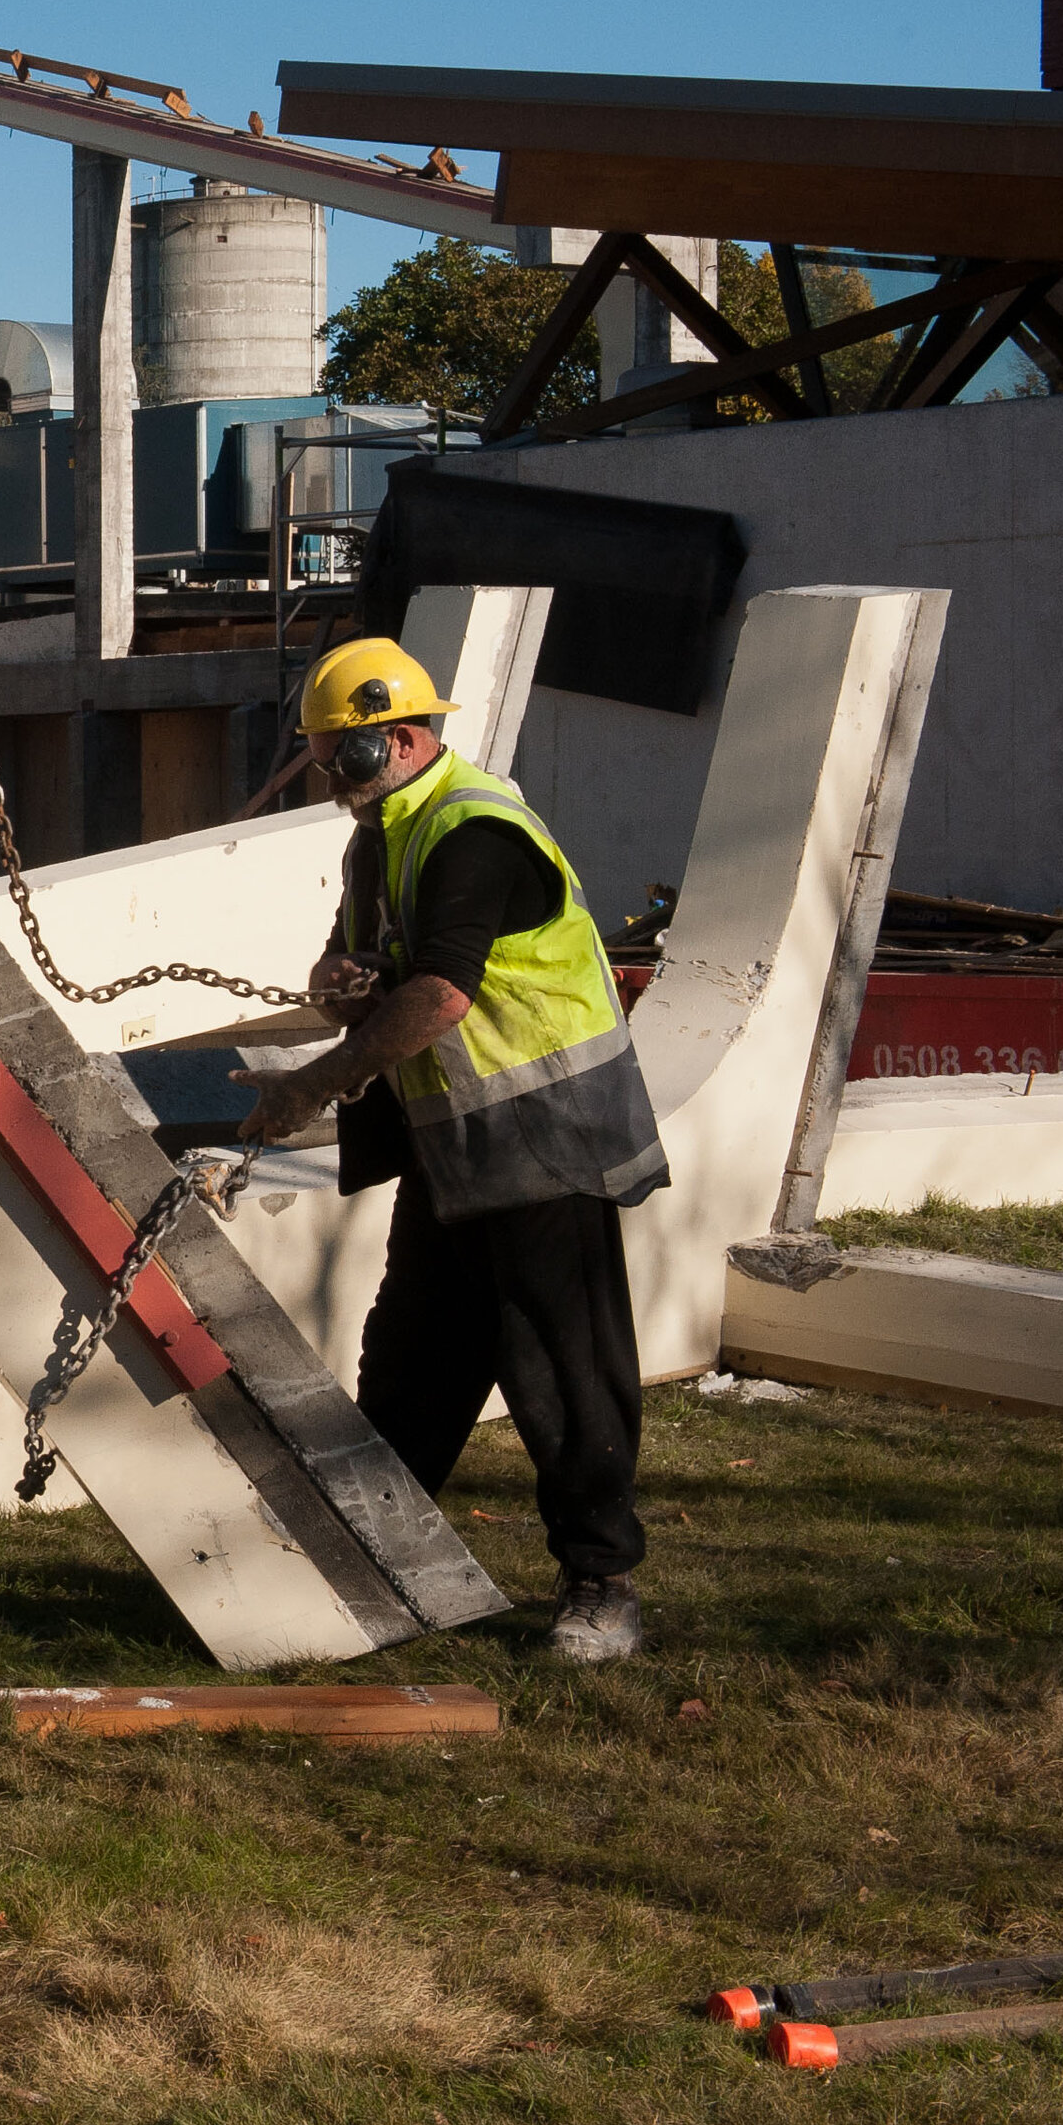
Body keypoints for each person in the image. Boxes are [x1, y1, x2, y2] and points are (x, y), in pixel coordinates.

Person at [234, 638, 667, 1663]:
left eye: (350, 757)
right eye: (327, 758)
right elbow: (371, 968)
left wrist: (313, 1085)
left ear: (410, 736)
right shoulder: (380, 837)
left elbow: (438, 996)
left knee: (563, 1369)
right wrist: (339, 978)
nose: (337, 781)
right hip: (457, 1146)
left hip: (545, 1141)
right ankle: (378, 1556)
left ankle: (602, 1585)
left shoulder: (474, 832)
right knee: (415, 1358)